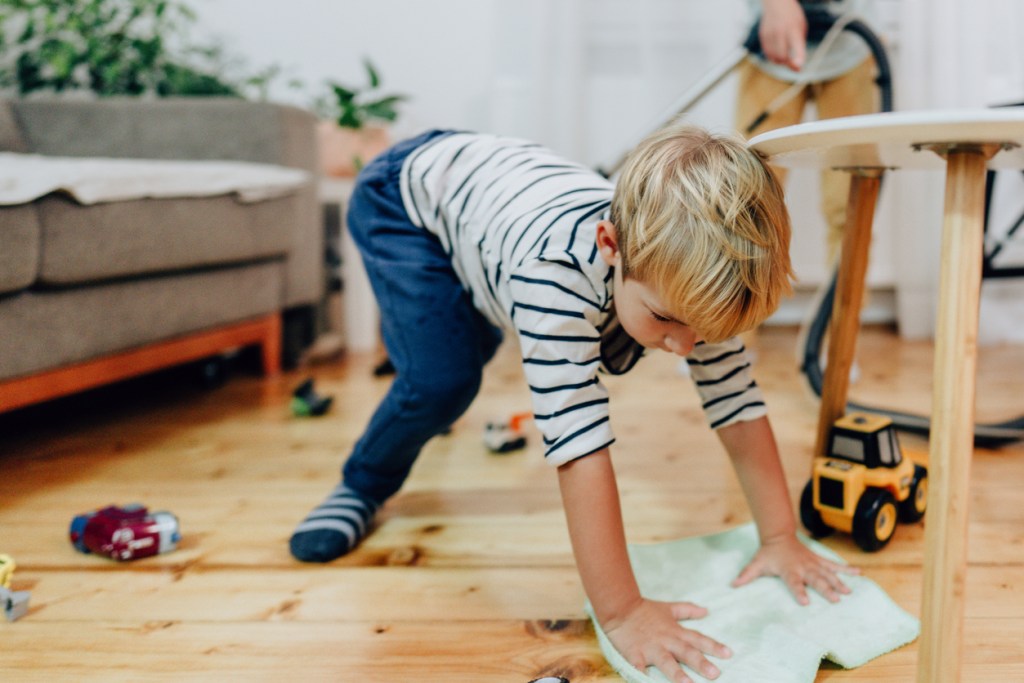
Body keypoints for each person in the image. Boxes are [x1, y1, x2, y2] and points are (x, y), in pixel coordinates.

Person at [289, 124, 858, 681]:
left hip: (488, 207)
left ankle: (459, 326)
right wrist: (623, 612)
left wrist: (782, 538)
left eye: (702, 332)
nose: (685, 347)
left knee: (467, 339)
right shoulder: (552, 275)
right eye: (666, 319)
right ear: (611, 246)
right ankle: (360, 483)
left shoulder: (701, 277)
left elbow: (737, 404)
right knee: (443, 382)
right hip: (403, 200)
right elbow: (578, 446)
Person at [740, 0, 879, 265]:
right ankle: (745, 305)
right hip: (770, 43)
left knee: (850, 205)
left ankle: (843, 306)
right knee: (748, 204)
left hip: (850, 44)